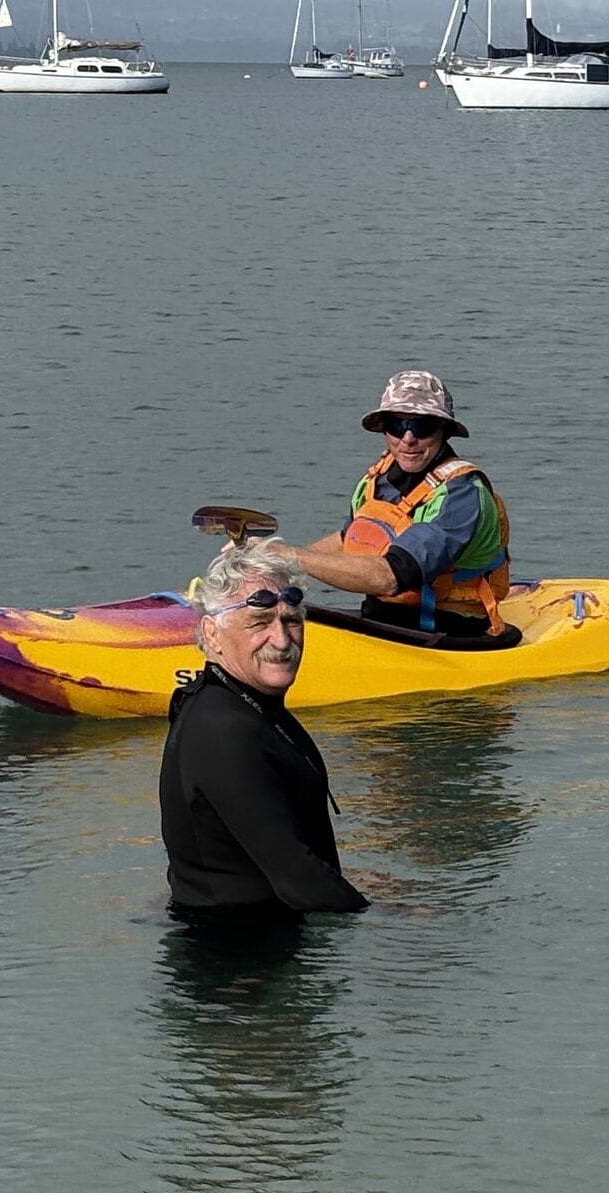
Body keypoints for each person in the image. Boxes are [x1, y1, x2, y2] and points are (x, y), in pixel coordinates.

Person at [161, 541, 368, 915]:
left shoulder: (242, 706)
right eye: (259, 623)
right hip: (243, 959)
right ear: (212, 634)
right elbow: (298, 880)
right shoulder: (223, 730)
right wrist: (394, 922)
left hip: (258, 940)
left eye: (291, 621)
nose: (282, 640)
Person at [275, 370, 517, 642]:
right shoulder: (376, 480)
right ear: (384, 429)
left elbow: (390, 578)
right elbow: (349, 540)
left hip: (444, 635)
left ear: (444, 430)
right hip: (380, 622)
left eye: (422, 426)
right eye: (397, 425)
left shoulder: (460, 495)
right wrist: (271, 563)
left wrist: (291, 556)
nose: (409, 438)